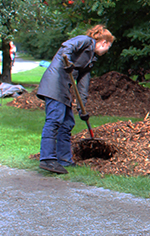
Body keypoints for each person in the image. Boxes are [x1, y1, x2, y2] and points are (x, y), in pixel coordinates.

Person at [34, 25, 115, 174]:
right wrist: (68, 62)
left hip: (64, 88)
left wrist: (81, 107)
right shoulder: (85, 41)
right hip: (54, 83)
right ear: (104, 42)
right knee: (54, 120)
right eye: (108, 47)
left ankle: (64, 159)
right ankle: (47, 159)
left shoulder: (90, 58)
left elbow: (83, 85)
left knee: (67, 124)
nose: (107, 50)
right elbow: (67, 47)